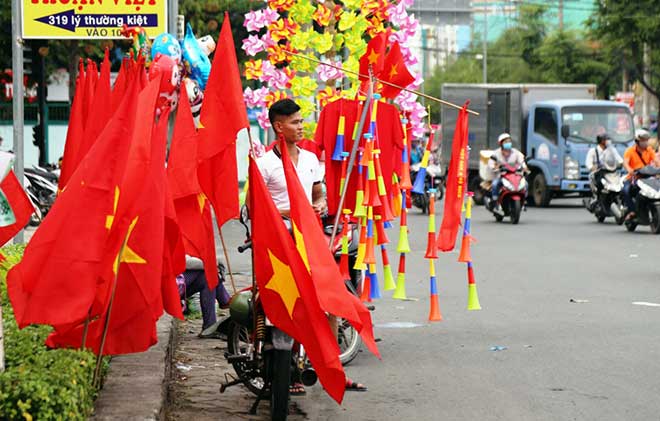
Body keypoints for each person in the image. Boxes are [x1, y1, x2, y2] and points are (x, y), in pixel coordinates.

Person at [256, 98, 366, 394]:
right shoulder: (264, 164)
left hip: (309, 243)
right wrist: (286, 213)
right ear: (279, 127)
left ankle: (333, 370)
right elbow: (253, 209)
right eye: (294, 122)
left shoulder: (308, 160)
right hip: (278, 245)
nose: (301, 126)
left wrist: (317, 205)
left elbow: (318, 196)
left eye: (301, 121)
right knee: (291, 306)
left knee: (330, 304)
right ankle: (286, 371)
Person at [178, 255, 231, 339]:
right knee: (208, 273)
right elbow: (183, 262)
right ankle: (225, 300)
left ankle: (210, 326)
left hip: (175, 283)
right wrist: (213, 263)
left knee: (207, 276)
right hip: (169, 285)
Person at [622, 129, 660, 218]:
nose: (645, 142)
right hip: (633, 177)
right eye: (643, 140)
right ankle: (632, 211)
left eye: (646, 140)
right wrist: (629, 169)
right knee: (626, 191)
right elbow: (625, 163)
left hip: (647, 177)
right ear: (637, 141)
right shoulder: (630, 151)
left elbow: (656, 161)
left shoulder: (649, 150)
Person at [487, 133, 528, 213]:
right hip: (501, 176)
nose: (508, 143)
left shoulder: (516, 152)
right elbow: (491, 163)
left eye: (509, 141)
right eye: (506, 142)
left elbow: (522, 161)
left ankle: (524, 202)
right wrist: (495, 167)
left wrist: (524, 167)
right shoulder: (496, 153)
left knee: (525, 184)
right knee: (495, 184)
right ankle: (495, 202)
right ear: (501, 143)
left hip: (514, 175)